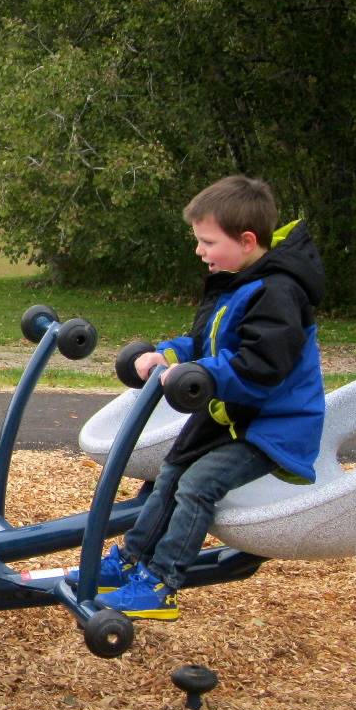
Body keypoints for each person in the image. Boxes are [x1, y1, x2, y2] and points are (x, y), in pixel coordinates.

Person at [77, 175, 326, 620]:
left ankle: (161, 584)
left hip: (272, 426)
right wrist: (165, 355)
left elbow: (260, 369)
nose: (200, 251)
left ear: (247, 241)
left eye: (207, 242)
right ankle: (131, 559)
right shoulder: (237, 283)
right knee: (169, 473)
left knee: (197, 485)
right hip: (231, 415)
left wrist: (195, 373)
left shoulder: (278, 293)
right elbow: (205, 344)